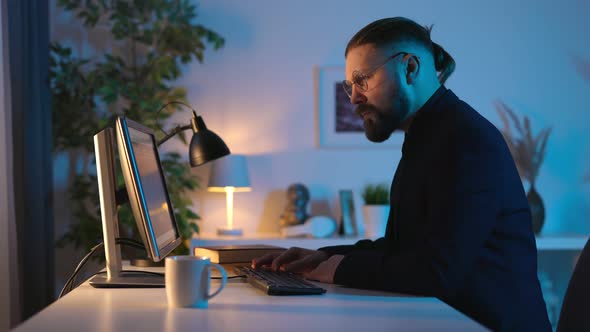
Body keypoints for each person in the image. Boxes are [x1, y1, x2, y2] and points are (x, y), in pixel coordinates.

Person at [253, 17, 551, 331]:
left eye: (362, 79)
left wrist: (338, 269)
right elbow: (405, 248)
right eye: (349, 86)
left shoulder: (466, 140)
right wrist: (321, 257)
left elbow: (436, 271)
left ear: (409, 68)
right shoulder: (430, 135)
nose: (353, 97)